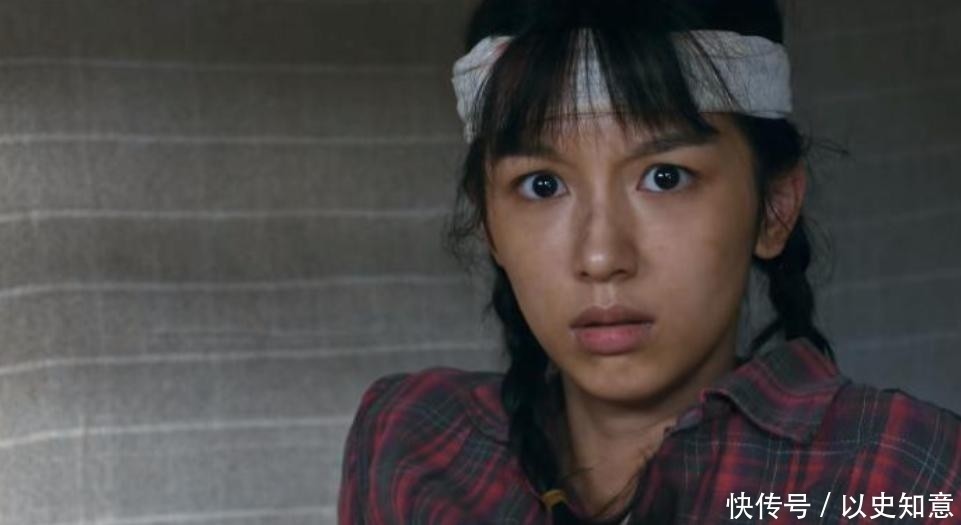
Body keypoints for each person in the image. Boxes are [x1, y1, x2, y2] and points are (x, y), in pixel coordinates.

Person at [338, 0, 961, 523]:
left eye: (666, 177)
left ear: (774, 207)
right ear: (489, 225)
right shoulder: (415, 441)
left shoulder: (903, 476)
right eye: (542, 185)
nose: (601, 256)